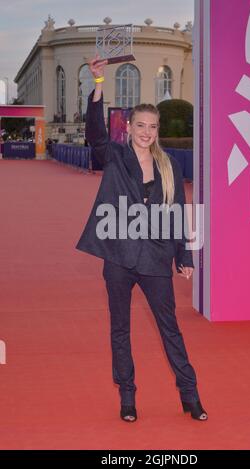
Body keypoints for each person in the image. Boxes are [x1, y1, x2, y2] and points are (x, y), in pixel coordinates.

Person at [76, 55, 207, 423]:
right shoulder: (114, 156)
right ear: (129, 127)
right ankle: (128, 398)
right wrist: (98, 85)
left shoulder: (170, 166)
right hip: (118, 256)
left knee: (171, 330)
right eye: (140, 125)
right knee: (120, 329)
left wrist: (184, 256)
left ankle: (190, 395)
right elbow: (94, 134)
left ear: (157, 129)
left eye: (152, 126)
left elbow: (178, 212)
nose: (146, 132)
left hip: (154, 260)